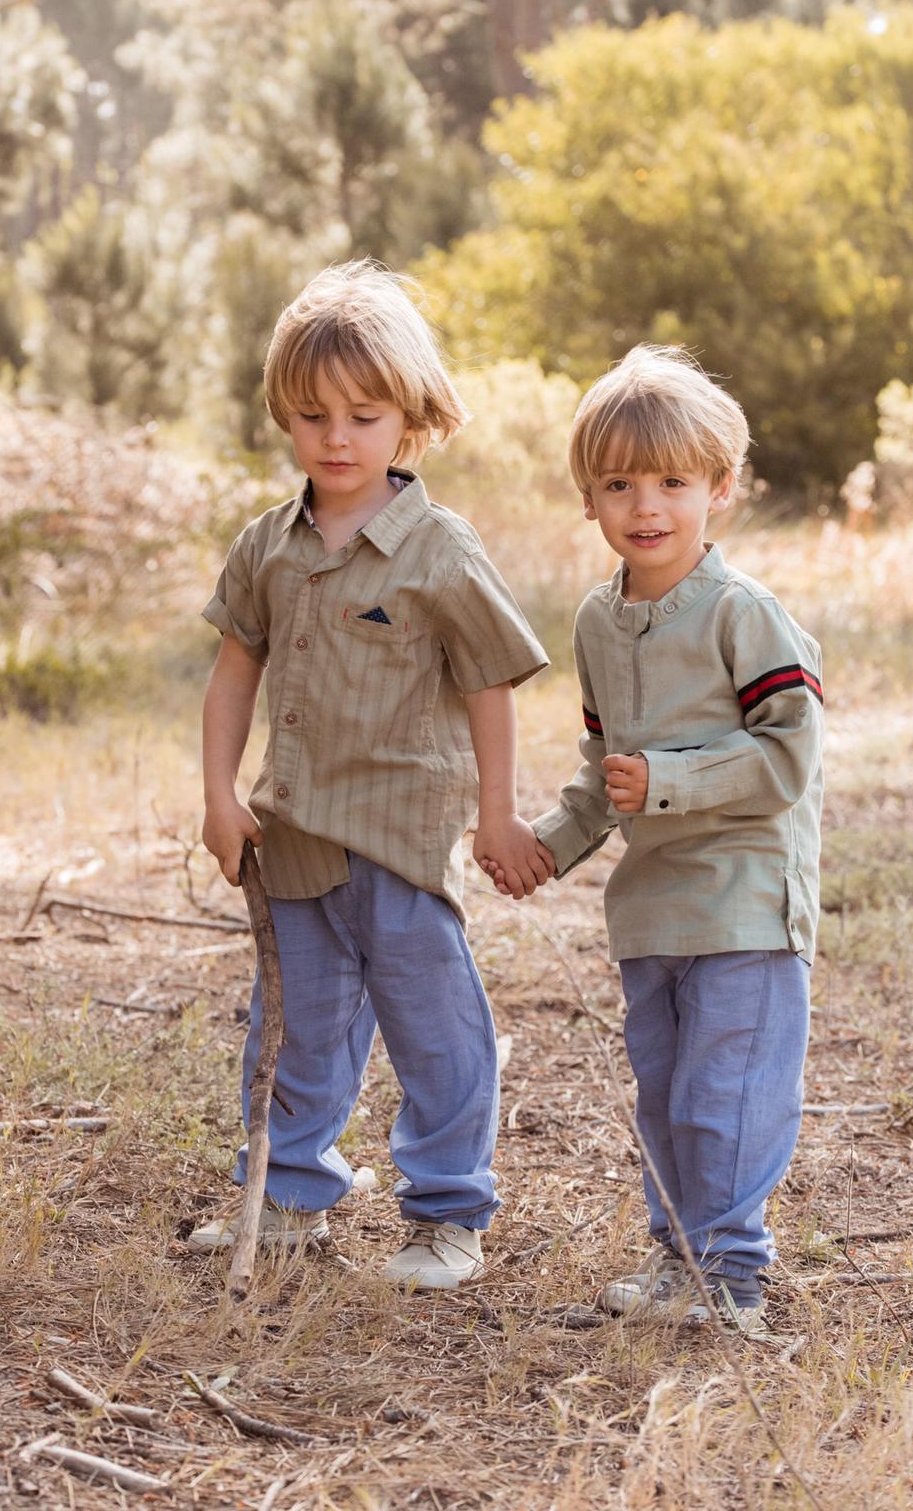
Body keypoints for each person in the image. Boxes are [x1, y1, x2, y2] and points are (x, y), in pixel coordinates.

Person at [190, 260, 553, 1289]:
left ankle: (446, 1214)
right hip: (294, 835)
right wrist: (219, 795)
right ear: (284, 420)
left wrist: (497, 813)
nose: (336, 438)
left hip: (397, 834)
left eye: (363, 414)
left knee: (434, 1028)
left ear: (412, 418)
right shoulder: (268, 546)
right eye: (312, 416)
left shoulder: (438, 549)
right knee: (293, 1024)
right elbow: (232, 676)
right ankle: (291, 1192)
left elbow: (490, 682)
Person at [485, 345, 823, 1329]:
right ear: (587, 498)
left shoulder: (742, 614)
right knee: (669, 1096)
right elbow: (606, 770)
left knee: (729, 1092)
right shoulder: (599, 621)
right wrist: (548, 843)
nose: (648, 505)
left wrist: (671, 780)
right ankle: (678, 1262)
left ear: (719, 488)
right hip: (653, 909)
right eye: (620, 483)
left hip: (745, 903)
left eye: (673, 481)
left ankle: (732, 1278)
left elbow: (791, 756)